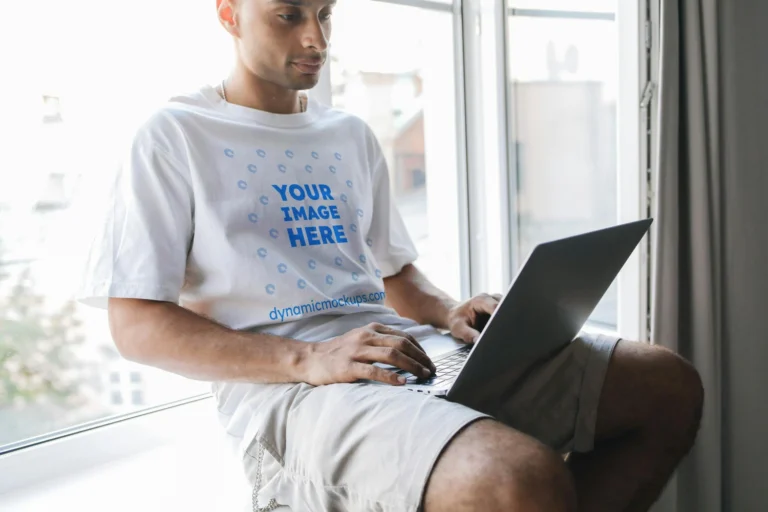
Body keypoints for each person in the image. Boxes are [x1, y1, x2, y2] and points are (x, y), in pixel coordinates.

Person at [78, 0, 704, 510]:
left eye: (326, 14)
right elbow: (137, 326)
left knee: (666, 386)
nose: (315, 38)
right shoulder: (175, 136)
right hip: (290, 393)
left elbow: (394, 273)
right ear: (228, 14)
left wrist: (448, 311)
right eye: (288, 15)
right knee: (519, 479)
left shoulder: (346, 133)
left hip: (402, 352)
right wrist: (309, 356)